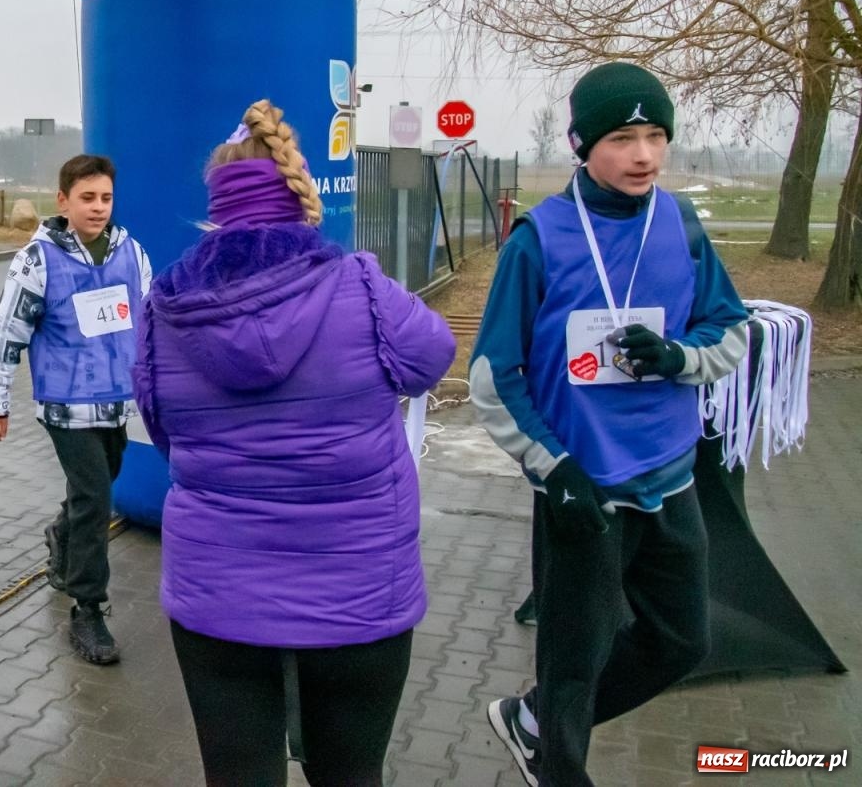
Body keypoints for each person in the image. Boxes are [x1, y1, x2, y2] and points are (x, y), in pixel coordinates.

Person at [132, 100, 454, 786]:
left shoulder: (166, 307)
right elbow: (433, 357)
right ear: (297, 196)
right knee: (350, 776)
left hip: (218, 593)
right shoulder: (364, 288)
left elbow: (163, 428)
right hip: (361, 591)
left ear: (216, 212)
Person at [471, 63, 750, 786]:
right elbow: (493, 378)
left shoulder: (682, 225)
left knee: (682, 640)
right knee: (573, 663)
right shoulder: (539, 238)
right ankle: (554, 747)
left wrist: (679, 357)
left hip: (670, 480)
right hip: (582, 489)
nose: (644, 155)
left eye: (656, 135)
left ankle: (535, 722)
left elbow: (732, 329)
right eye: (624, 137)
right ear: (581, 143)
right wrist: (552, 468)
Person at [0, 153, 152, 665]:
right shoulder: (39, 260)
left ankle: (62, 534)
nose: (98, 208)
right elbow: (7, 332)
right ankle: (88, 608)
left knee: (93, 491)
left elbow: (153, 317)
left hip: (117, 405)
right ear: (64, 201)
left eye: (106, 198)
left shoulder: (131, 253)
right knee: (96, 498)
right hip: (66, 406)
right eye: (87, 198)